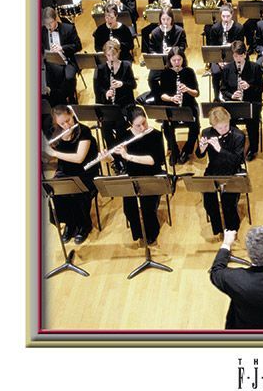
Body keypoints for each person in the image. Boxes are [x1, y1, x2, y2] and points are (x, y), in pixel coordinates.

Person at [42, 104, 99, 244]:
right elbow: (50, 159)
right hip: (65, 170)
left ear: (72, 115)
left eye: (68, 120)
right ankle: (70, 224)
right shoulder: (56, 132)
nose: (66, 125)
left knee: (77, 193)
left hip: (85, 171)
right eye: (62, 123)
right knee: (57, 192)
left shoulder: (83, 131)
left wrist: (54, 153)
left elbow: (79, 158)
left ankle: (84, 225)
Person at [112, 106, 167, 246]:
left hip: (152, 175)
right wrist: (106, 157)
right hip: (132, 175)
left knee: (148, 207)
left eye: (144, 122)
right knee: (129, 209)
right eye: (138, 125)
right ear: (130, 124)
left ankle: (152, 233)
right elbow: (116, 159)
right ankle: (138, 233)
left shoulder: (155, 135)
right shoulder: (124, 136)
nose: (143, 128)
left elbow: (154, 160)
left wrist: (128, 156)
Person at [195, 106, 246, 236]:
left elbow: (237, 160)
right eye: (219, 128)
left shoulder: (238, 135)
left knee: (228, 202)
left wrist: (220, 149)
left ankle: (232, 228)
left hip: (232, 172)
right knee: (208, 202)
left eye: (226, 126)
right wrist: (202, 149)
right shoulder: (206, 133)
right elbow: (199, 155)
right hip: (213, 170)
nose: (223, 130)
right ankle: (217, 228)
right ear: (213, 126)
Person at [220, 40, 263, 161]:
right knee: (227, 120)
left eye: (240, 56)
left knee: (252, 121)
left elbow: (260, 89)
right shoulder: (227, 68)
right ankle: (234, 145)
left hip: (251, 102)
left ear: (245, 54)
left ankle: (253, 148)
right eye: (235, 56)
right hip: (235, 103)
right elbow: (223, 90)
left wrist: (249, 87)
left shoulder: (255, 68)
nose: (238, 59)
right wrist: (232, 96)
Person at [159, 46, 200, 164]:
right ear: (169, 60)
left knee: (195, 126)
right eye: (174, 60)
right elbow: (162, 95)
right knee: (167, 126)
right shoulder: (165, 73)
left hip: (188, 106)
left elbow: (196, 93)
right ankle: (174, 150)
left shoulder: (189, 71)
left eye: (179, 60)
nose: (177, 63)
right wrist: (171, 98)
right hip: (172, 105)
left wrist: (187, 89)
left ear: (183, 59)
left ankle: (187, 150)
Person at [93, 39, 137, 150]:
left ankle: (121, 151)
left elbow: (133, 84)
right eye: (108, 55)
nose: (111, 58)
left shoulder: (126, 66)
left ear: (118, 53)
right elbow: (98, 89)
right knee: (106, 128)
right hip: (109, 105)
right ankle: (114, 153)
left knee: (120, 125)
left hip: (124, 104)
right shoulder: (100, 69)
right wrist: (106, 93)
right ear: (105, 55)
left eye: (114, 55)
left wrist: (122, 84)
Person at [139, 7, 188, 104]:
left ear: (172, 19)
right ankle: (159, 98)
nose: (165, 22)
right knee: (151, 79)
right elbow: (151, 49)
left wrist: (173, 50)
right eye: (163, 19)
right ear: (160, 19)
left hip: (175, 62)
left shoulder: (179, 31)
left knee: (173, 78)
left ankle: (175, 97)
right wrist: (155, 54)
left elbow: (183, 47)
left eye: (168, 19)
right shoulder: (155, 32)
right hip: (160, 62)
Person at [41, 6, 81, 105]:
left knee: (69, 78)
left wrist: (62, 48)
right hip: (50, 63)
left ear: (56, 19)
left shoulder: (69, 28)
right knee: (47, 78)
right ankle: (57, 102)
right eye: (46, 24)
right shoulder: (42, 31)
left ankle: (71, 98)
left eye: (50, 23)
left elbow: (78, 46)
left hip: (67, 61)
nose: (48, 26)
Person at [208, 7, 245, 99]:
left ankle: (236, 94)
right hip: (218, 57)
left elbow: (241, 46)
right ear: (220, 16)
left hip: (235, 56)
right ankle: (216, 97)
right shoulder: (215, 28)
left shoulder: (239, 28)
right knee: (216, 72)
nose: (225, 19)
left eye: (228, 16)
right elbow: (213, 47)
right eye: (223, 16)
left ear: (232, 15)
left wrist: (231, 45)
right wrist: (219, 61)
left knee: (237, 69)